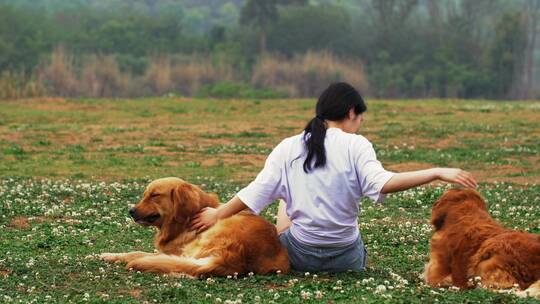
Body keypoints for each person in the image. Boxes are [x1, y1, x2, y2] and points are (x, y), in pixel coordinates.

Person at [190, 82, 477, 272]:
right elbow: (384, 183)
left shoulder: (290, 146)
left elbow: (256, 192)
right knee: (299, 201)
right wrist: (437, 172)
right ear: (351, 112)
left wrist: (218, 215)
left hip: (299, 257)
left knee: (282, 197)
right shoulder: (357, 144)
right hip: (347, 259)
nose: (360, 123)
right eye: (360, 117)